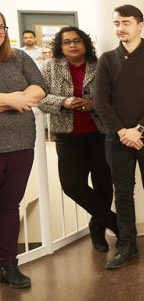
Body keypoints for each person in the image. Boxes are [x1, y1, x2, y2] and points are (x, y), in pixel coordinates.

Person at [94, 4, 144, 269]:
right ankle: (127, 244)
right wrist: (122, 132)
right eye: (116, 23)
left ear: (140, 24)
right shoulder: (107, 59)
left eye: (126, 22)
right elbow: (101, 101)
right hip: (117, 138)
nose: (121, 28)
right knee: (123, 191)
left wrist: (138, 129)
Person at [39, 27, 119, 252]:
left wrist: (94, 105)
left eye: (77, 41)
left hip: (100, 135)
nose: (72, 45)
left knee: (104, 186)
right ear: (60, 46)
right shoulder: (50, 68)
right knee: (72, 185)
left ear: (85, 44)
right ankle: (116, 223)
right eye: (67, 42)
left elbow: (113, 97)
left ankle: (97, 232)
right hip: (67, 138)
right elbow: (39, 98)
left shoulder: (100, 66)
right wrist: (63, 102)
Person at [0, 11, 46, 288]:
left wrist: (17, 100)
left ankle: (8, 264)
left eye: (1, 26)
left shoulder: (18, 57)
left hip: (19, 144)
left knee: (8, 206)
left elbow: (40, 88)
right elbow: (25, 97)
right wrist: (11, 99)